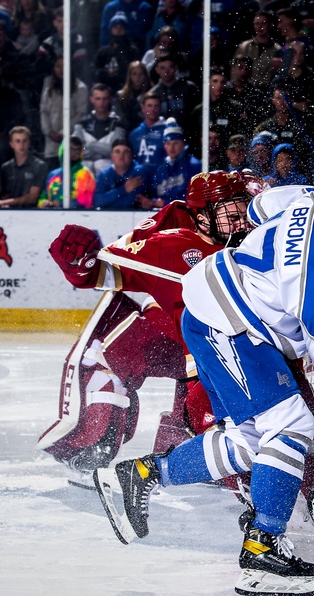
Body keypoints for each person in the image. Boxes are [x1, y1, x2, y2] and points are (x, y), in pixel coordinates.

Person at [93, 170, 314, 596]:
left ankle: (141, 475)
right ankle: (261, 551)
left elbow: (257, 208)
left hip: (218, 309)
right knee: (291, 427)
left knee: (249, 439)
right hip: (234, 326)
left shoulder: (308, 197)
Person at [42, 171, 255, 483]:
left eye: (243, 209)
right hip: (179, 335)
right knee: (106, 354)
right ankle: (91, 447)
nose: (240, 222)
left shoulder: (261, 233)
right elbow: (110, 269)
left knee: (229, 417)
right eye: (230, 212)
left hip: (239, 352)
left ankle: (206, 456)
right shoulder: (174, 232)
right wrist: (80, 265)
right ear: (203, 215)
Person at [73, 83, 128, 176]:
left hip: (108, 171)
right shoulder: (82, 123)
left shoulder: (118, 124)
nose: (101, 103)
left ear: (110, 99)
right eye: (98, 99)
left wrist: (90, 145)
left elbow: (115, 152)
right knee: (84, 165)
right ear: (91, 100)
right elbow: (76, 151)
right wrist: (102, 150)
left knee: (101, 164)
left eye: (105, 99)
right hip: (85, 174)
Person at [147, 121, 201, 207]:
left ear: (183, 144)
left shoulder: (194, 165)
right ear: (164, 145)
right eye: (168, 143)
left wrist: (165, 203)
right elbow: (155, 193)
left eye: (175, 143)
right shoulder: (161, 167)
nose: (171, 147)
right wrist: (153, 202)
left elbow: (195, 198)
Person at [0, 126, 48, 208]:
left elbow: (32, 198)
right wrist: (4, 201)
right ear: (11, 144)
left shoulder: (39, 166)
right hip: (8, 213)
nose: (21, 144)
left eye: (24, 141)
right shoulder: (5, 168)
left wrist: (3, 202)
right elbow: (3, 194)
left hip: (33, 213)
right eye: (17, 141)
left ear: (29, 143)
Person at [38, 136, 96, 209]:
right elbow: (43, 196)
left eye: (77, 150)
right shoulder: (53, 174)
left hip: (76, 216)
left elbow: (86, 201)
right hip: (51, 216)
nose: (74, 153)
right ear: (63, 150)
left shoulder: (85, 173)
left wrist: (61, 204)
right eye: (70, 149)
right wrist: (43, 202)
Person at [93, 137, 149, 209]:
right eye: (117, 152)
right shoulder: (103, 175)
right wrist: (124, 189)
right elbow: (97, 201)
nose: (121, 156)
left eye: (126, 152)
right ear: (112, 156)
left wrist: (108, 200)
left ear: (132, 156)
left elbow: (130, 203)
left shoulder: (140, 172)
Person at [128, 91, 166, 171]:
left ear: (161, 108)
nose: (153, 109)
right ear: (143, 108)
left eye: (156, 106)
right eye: (149, 106)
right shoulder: (134, 134)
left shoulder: (167, 131)